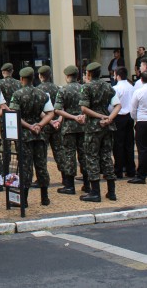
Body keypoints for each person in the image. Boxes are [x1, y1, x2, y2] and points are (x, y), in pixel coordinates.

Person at [9, 67, 54, 207]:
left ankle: (24, 199)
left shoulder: (17, 94)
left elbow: (15, 115)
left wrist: (29, 126)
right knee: (41, 165)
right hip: (40, 135)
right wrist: (39, 125)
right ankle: (44, 197)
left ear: (22, 79)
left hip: (25, 135)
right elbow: (51, 113)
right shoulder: (42, 94)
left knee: (25, 167)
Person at [79, 62, 120, 203]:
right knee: (106, 156)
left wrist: (99, 116)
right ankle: (111, 191)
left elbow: (84, 108)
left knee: (92, 158)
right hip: (107, 127)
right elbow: (118, 105)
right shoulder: (108, 86)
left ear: (89, 74)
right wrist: (109, 118)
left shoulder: (87, 87)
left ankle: (95, 192)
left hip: (93, 128)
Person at [53, 66, 88, 195]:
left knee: (69, 155)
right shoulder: (84, 88)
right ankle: (87, 183)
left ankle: (70, 185)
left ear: (67, 76)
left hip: (69, 127)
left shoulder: (63, 90)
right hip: (83, 126)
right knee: (84, 155)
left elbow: (58, 109)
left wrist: (70, 117)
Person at [36, 66, 62, 187]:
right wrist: (58, 120)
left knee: (41, 154)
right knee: (59, 151)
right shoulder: (58, 88)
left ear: (40, 76)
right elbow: (61, 107)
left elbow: (37, 110)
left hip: (44, 124)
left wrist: (49, 121)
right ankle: (66, 178)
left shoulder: (37, 90)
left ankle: (42, 179)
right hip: (58, 123)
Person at [0, 63, 21, 176]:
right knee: (19, 144)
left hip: (5, 116)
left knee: (6, 145)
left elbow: (0, 100)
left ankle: (6, 172)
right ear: (12, 71)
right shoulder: (19, 83)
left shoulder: (0, 83)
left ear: (3, 72)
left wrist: (7, 110)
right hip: (18, 115)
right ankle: (21, 170)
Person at [112, 67, 136, 179]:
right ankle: (131, 169)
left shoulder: (116, 88)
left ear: (117, 75)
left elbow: (111, 105)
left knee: (118, 144)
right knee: (129, 144)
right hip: (130, 117)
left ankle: (118, 170)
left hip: (119, 117)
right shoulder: (132, 87)